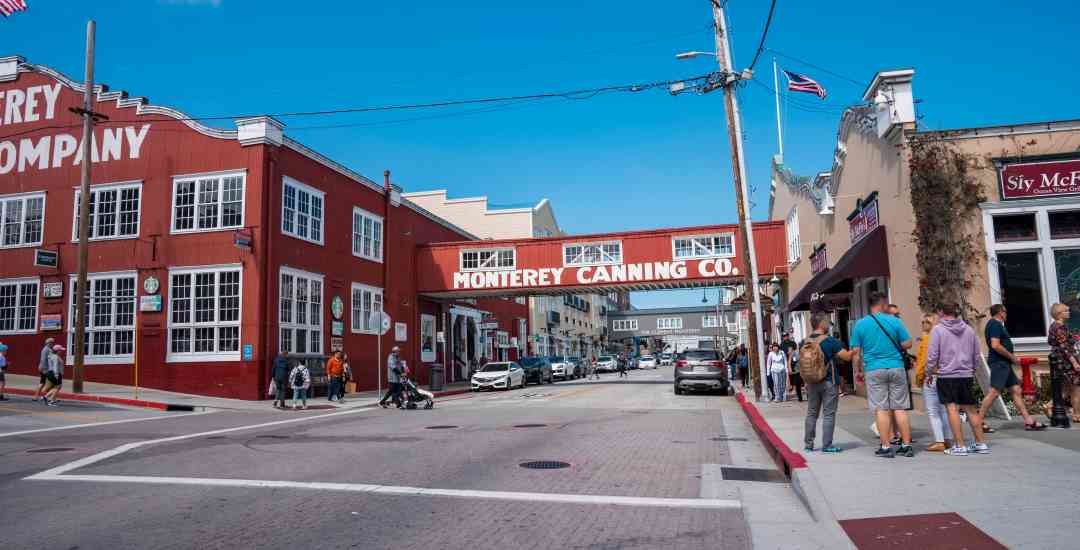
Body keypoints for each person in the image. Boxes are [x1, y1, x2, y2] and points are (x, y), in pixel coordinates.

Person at [852, 291, 915, 458]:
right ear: (882, 303)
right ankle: (906, 445)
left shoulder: (860, 324)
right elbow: (907, 343)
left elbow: (856, 352)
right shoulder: (894, 321)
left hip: (874, 369)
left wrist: (858, 371)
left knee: (881, 409)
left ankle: (886, 446)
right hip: (896, 367)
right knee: (899, 407)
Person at [926, 303, 988, 456]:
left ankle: (960, 445)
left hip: (947, 374)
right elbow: (976, 354)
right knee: (971, 409)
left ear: (941, 312)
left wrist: (929, 372)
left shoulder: (938, 330)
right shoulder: (968, 329)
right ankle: (981, 443)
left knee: (952, 408)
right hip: (965, 374)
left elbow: (932, 355)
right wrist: (972, 370)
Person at [976, 304, 1049, 430]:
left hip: (1005, 364)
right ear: (1000, 312)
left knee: (1016, 390)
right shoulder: (994, 324)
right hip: (1000, 363)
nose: (1007, 314)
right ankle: (978, 422)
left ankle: (1028, 421)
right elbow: (995, 345)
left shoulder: (996, 325)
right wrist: (1012, 357)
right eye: (1005, 311)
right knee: (994, 392)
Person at [802, 313, 853, 453]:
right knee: (828, 414)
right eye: (827, 322)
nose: (828, 324)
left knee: (812, 413)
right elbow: (847, 357)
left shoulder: (804, 341)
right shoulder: (829, 341)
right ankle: (827, 445)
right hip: (828, 381)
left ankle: (808, 445)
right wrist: (856, 348)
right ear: (821, 324)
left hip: (811, 382)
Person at [915, 313, 953, 452]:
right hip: (945, 375)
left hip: (931, 376)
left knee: (933, 411)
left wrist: (919, 377)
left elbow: (924, 362)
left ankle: (939, 441)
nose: (924, 324)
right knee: (944, 409)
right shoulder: (945, 337)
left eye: (926, 322)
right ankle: (948, 439)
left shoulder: (927, 339)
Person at [1047, 303, 1080, 422]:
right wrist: (1074, 362)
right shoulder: (1059, 327)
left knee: (1067, 389)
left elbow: (1055, 342)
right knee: (1076, 387)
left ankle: (1050, 405)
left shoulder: (1056, 326)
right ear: (1060, 314)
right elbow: (1064, 347)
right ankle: (1077, 415)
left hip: (1060, 361)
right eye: (1066, 310)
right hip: (1066, 361)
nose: (1069, 312)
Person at [781, 332, 802, 401]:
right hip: (786, 360)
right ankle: (791, 386)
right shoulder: (782, 344)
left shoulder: (792, 343)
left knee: (795, 375)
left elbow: (796, 351)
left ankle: (795, 387)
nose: (785, 337)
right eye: (784, 336)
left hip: (794, 362)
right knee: (789, 375)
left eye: (786, 336)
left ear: (788, 336)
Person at [33, 337, 55, 402]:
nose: (53, 344)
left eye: (53, 342)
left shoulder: (46, 349)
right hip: (45, 369)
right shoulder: (47, 350)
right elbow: (43, 360)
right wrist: (44, 369)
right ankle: (50, 397)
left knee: (42, 382)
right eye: (52, 342)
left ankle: (36, 396)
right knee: (50, 383)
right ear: (48, 343)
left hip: (43, 368)